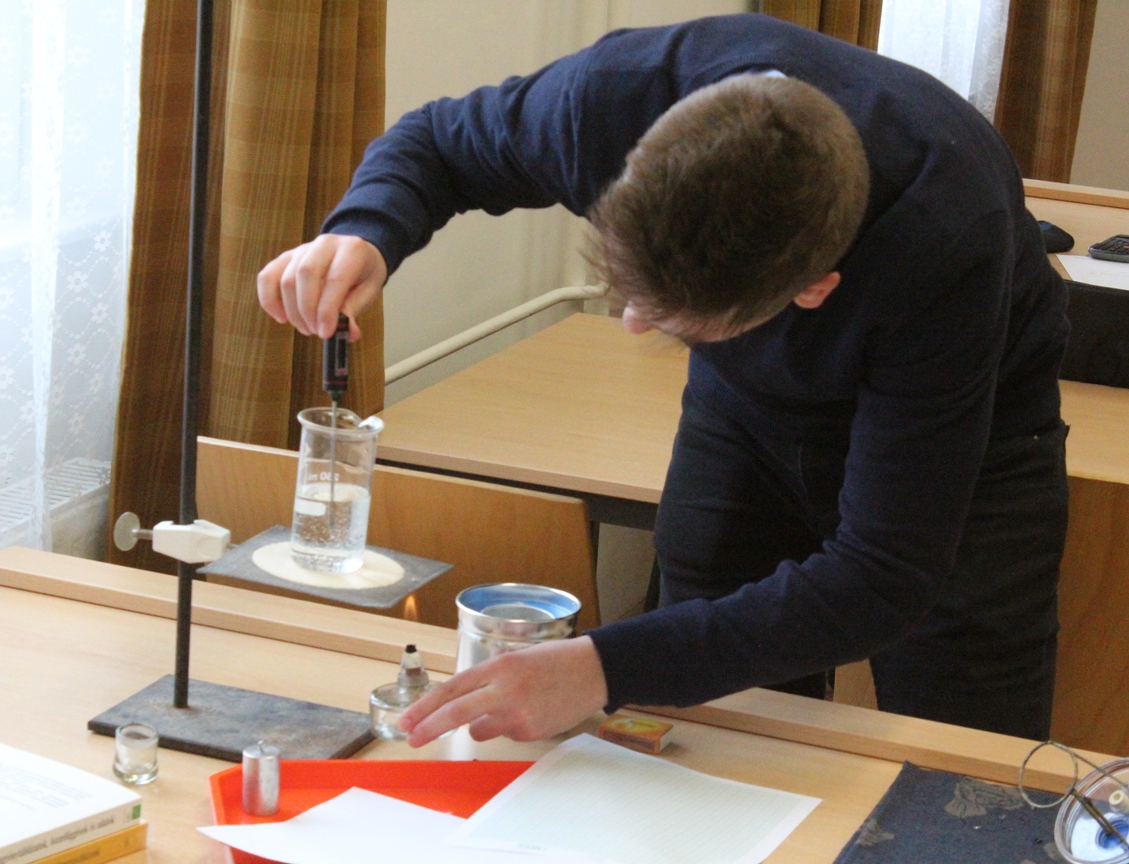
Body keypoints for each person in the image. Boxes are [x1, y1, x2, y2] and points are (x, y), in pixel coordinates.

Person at [256, 14, 1069, 744]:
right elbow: (437, 144)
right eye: (628, 288)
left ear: (811, 291)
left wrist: (600, 667)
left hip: (971, 440)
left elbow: (882, 578)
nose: (634, 324)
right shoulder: (614, 99)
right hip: (744, 412)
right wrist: (367, 231)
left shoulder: (946, 233)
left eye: (675, 320)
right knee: (710, 722)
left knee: (966, 758)